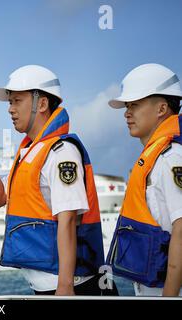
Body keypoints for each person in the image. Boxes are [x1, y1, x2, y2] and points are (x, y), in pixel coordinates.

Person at [0, 65, 106, 295]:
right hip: (48, 287)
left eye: (17, 101)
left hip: (71, 287)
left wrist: (65, 288)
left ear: (42, 104)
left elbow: (66, 220)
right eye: (9, 102)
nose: (10, 109)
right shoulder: (28, 151)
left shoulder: (61, 151)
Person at [107, 63, 182, 297]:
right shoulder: (156, 157)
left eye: (135, 105)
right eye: (127, 106)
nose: (127, 113)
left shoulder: (172, 159)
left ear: (161, 108)